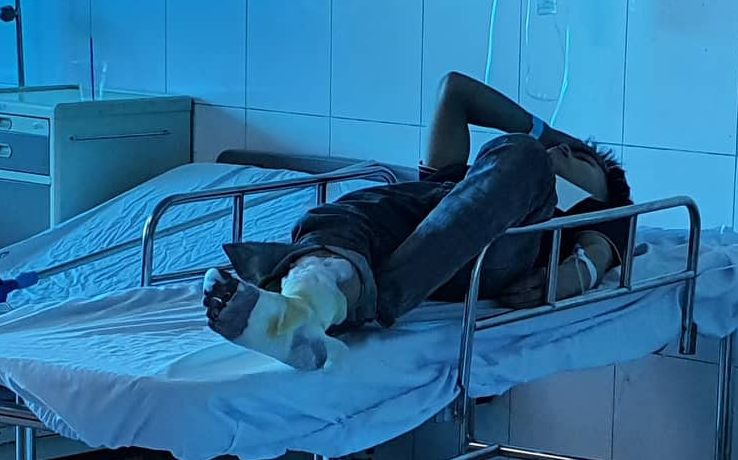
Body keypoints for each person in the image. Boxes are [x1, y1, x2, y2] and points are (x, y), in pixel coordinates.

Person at [203, 72, 634, 370]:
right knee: (338, 224)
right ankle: (299, 314)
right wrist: (554, 136)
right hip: (393, 225)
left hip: (488, 250)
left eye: (582, 161)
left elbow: (596, 254)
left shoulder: (585, 212)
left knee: (522, 154)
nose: (565, 151)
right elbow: (455, 90)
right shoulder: (462, 180)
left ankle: (377, 299)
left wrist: (566, 278)